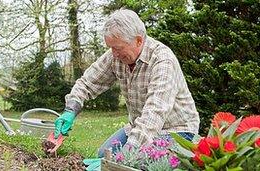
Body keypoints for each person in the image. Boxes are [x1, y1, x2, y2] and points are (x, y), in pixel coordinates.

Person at [54, 9, 200, 170]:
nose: (114, 54)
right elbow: (87, 83)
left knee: (143, 165)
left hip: (176, 132)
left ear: (138, 40)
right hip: (138, 127)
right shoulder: (115, 55)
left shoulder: (163, 61)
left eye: (118, 48)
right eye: (111, 48)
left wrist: (123, 159)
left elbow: (154, 114)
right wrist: (70, 109)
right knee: (104, 155)